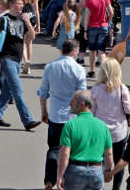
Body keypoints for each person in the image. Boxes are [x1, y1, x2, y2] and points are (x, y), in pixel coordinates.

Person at [38, 39, 87, 190]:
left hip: (55, 115)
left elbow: (43, 92)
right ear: (74, 51)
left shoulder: (50, 67)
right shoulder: (79, 69)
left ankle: (49, 181)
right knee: (72, 151)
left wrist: (44, 111)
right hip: (73, 117)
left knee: (53, 149)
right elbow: (82, 96)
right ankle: (65, 181)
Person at [0, 0, 40, 130]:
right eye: (19, 4)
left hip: (17, 60)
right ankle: (27, 120)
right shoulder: (3, 20)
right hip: (6, 59)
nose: (21, 7)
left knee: (7, 91)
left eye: (22, 4)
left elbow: (31, 37)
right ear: (11, 5)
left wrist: (29, 23)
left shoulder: (22, 20)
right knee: (17, 90)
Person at [56, 90, 114, 190]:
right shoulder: (103, 126)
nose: (70, 103)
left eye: (73, 101)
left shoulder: (70, 125)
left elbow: (65, 153)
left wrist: (60, 175)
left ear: (82, 104)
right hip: (96, 172)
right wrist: (108, 170)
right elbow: (108, 154)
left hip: (75, 172)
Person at [91, 59, 130, 190]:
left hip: (100, 132)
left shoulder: (96, 89)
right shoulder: (122, 88)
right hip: (118, 132)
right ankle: (116, 188)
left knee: (100, 161)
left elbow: (91, 111)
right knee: (119, 161)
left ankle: (100, 186)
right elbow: (128, 109)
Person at [83, 0, 113, 78]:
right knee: (101, 51)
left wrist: (85, 30)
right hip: (103, 26)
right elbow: (111, 12)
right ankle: (106, 73)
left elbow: (86, 17)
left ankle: (91, 71)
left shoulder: (89, 1)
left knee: (92, 50)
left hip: (92, 27)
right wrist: (108, 21)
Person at [21, 0, 41, 73]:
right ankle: (29, 61)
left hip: (23, 18)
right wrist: (38, 24)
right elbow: (37, 10)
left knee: (22, 42)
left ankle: (26, 62)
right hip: (32, 17)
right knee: (30, 42)